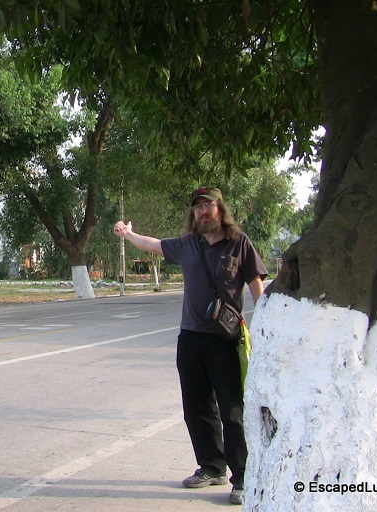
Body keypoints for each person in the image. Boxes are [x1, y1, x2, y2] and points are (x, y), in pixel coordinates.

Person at [113, 186, 267, 506]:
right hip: (190, 338)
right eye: (198, 207)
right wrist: (128, 234)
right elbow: (153, 245)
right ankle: (212, 466)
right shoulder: (187, 244)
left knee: (232, 410)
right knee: (196, 408)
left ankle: (243, 477)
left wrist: (266, 326)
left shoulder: (239, 243)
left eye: (208, 206)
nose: (203, 211)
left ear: (220, 209)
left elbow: (256, 285)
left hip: (225, 340)